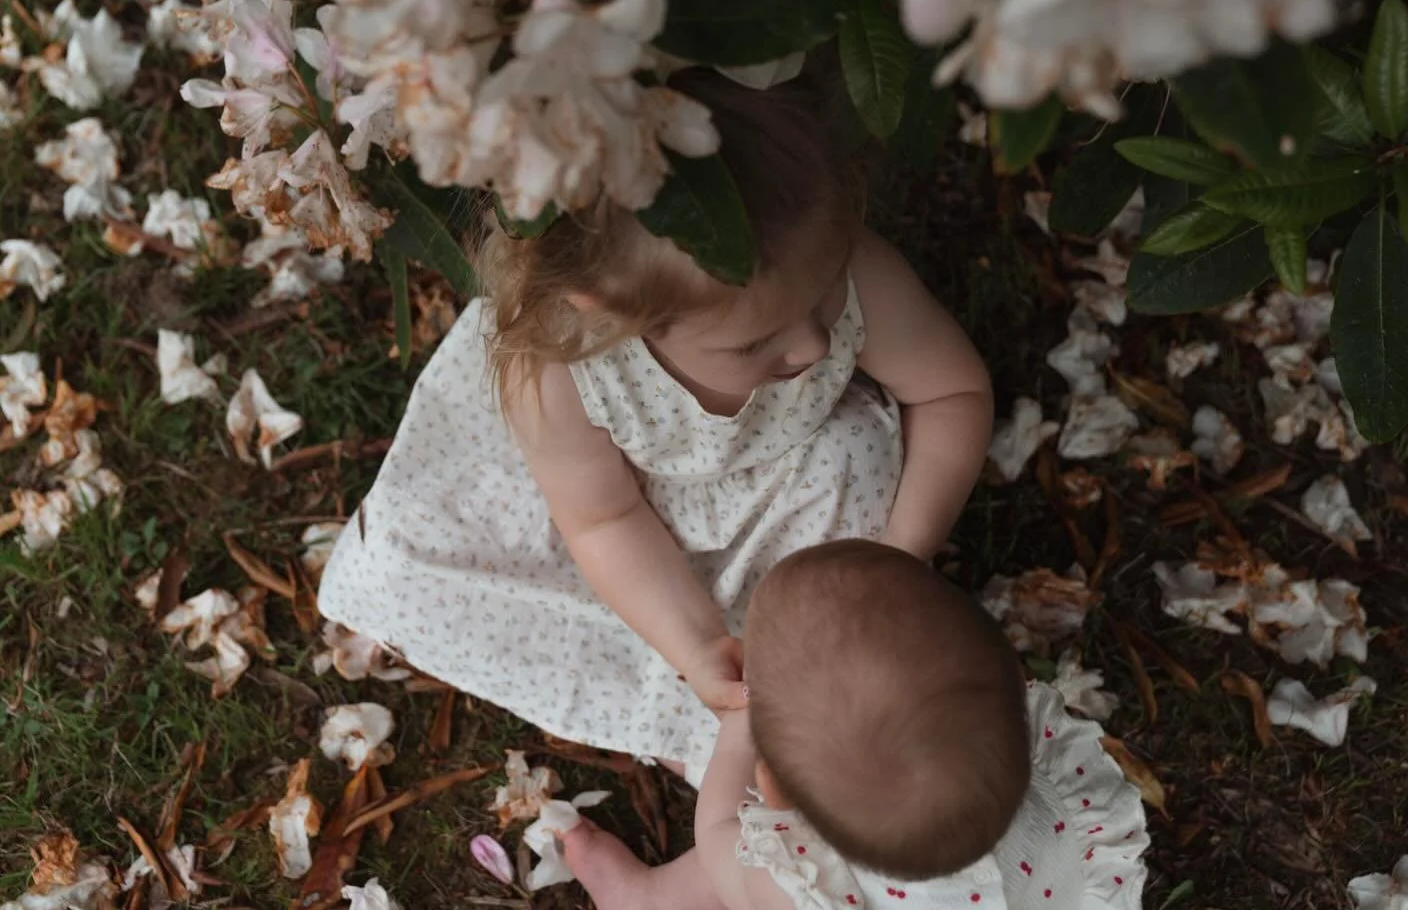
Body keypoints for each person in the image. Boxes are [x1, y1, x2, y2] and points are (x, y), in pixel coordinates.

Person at [317, 65, 993, 775]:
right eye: (755, 342)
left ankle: (755, 700)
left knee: (853, 459)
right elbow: (603, 521)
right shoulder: (560, 373)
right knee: (440, 553)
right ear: (614, 319)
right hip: (617, 513)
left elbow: (952, 392)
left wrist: (901, 555)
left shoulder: (852, 272)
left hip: (784, 473)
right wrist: (696, 645)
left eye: (823, 299)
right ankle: (696, 698)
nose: (817, 347)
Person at [560, 541, 1151, 910]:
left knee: (728, 879)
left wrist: (740, 725)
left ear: (771, 788)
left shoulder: (804, 891)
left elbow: (718, 833)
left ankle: (648, 900)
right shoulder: (1019, 780)